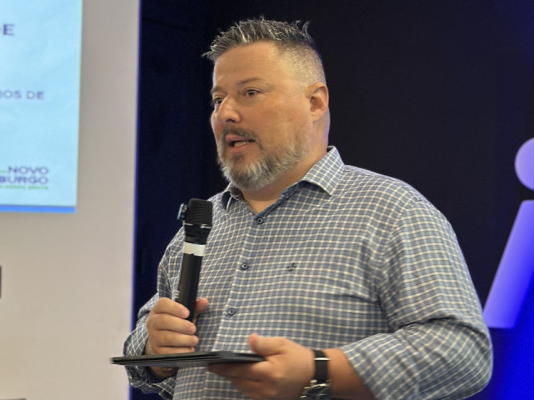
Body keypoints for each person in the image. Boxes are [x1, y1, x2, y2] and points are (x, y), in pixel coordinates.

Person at [123, 18, 492, 400]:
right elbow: (146, 355)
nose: (226, 113)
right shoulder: (202, 224)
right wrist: (154, 349)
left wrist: (322, 370)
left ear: (315, 102)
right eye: (218, 100)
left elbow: (463, 353)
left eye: (250, 92)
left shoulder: (392, 211)